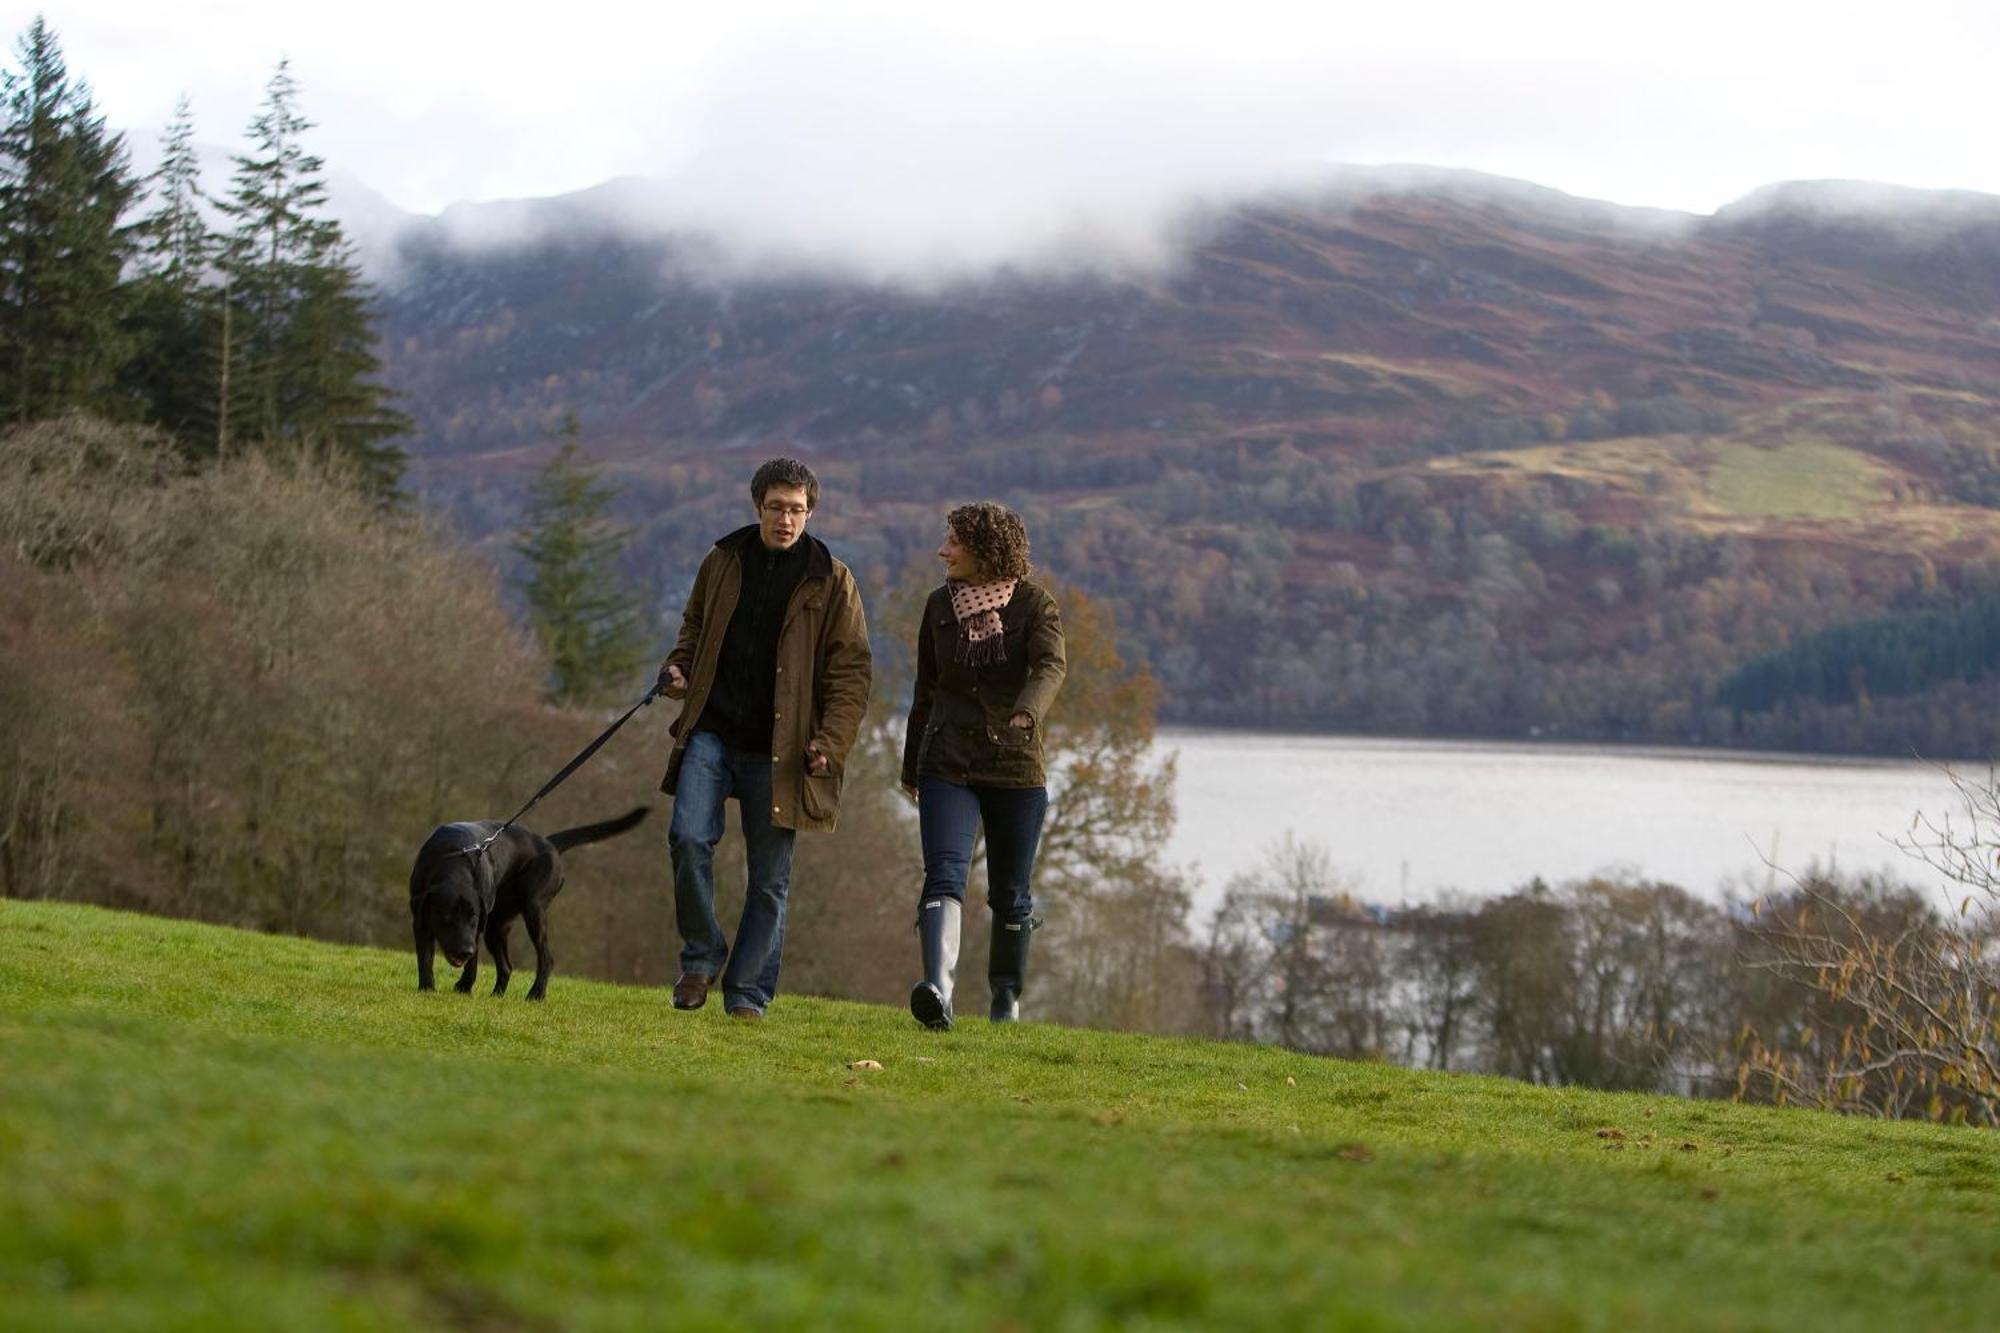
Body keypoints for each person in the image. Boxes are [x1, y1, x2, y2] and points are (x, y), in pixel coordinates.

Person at [657, 458, 871, 1020]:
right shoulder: (723, 561)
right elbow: (694, 629)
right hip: (713, 732)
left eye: (797, 509)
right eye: (776, 507)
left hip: (784, 751)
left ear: (811, 512)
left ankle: (748, 994)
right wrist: (679, 669)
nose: (786, 519)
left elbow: (851, 674)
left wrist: (832, 741)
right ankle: (701, 959)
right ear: (758, 507)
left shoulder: (833, 580)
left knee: (770, 881)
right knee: (686, 838)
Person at [900, 502, 1066, 1029]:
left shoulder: (1035, 606)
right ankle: (938, 992)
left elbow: (1050, 665)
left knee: (1010, 892)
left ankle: (1005, 1002)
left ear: (985, 550)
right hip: (946, 761)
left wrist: (1026, 712)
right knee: (944, 873)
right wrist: (911, 766)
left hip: (1015, 766)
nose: (942, 550)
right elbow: (925, 690)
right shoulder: (937, 605)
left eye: (953, 542)